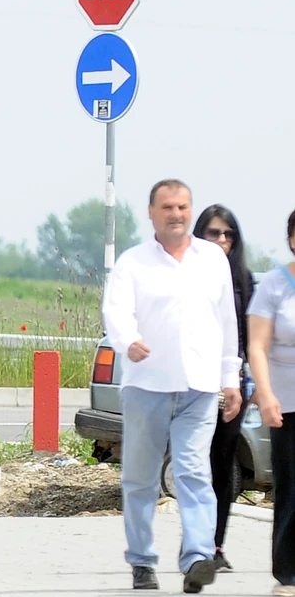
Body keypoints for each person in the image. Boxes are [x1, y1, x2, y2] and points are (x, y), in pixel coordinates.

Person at [102, 179, 242, 593]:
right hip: (147, 387)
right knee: (141, 479)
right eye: (167, 207)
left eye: (182, 207)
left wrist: (229, 379)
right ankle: (143, 562)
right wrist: (129, 341)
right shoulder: (134, 263)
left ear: (190, 210)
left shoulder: (212, 260)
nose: (176, 214)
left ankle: (199, 556)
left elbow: (227, 324)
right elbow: (116, 313)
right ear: (151, 212)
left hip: (199, 387)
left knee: (194, 471)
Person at [192, 204, 256, 572]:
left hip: (232, 384)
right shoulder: (185, 276)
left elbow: (249, 338)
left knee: (223, 464)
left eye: (228, 234)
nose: (222, 240)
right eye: (214, 233)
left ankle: (215, 545)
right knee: (192, 464)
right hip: (192, 383)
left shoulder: (243, 280)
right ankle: (195, 541)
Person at [246, 208, 295, 596]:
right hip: (287, 404)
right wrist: (265, 395)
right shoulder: (275, 286)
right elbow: (258, 347)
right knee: (292, 488)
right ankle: (289, 572)